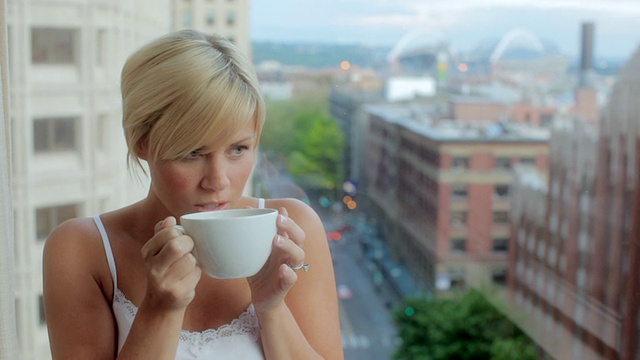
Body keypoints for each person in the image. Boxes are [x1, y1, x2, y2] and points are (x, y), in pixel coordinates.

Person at [42, 29, 344, 360]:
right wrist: (161, 308)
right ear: (142, 142)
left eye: (238, 149)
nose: (218, 181)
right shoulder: (83, 249)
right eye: (192, 153)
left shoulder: (293, 228)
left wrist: (271, 306)